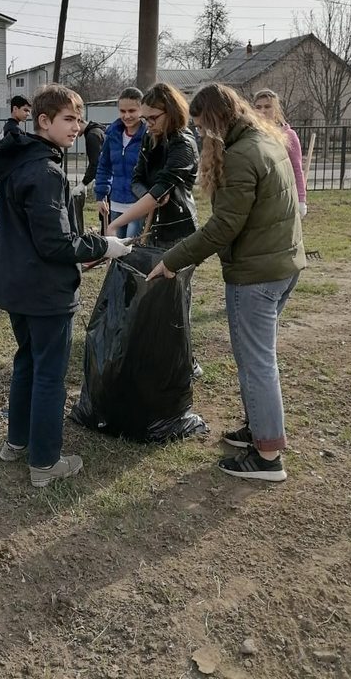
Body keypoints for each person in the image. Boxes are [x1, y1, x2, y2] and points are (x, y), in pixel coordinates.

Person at [148, 83, 305, 482]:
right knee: (258, 359)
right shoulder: (265, 140)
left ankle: (268, 456)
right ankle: (258, 429)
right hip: (282, 265)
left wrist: (172, 260)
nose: (200, 135)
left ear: (217, 120)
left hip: (257, 275)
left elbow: (223, 227)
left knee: (256, 363)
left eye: (202, 127)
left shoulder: (241, 155)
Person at [0, 83, 132, 487]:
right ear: (44, 121)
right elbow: (54, 243)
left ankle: (16, 443)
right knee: (49, 375)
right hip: (45, 292)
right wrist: (103, 245)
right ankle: (45, 461)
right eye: (69, 119)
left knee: (27, 363)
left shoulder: (18, 160)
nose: (78, 127)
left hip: (17, 286)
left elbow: (42, 231)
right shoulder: (45, 171)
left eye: (79, 119)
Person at [105, 83, 199, 249]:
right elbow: (136, 179)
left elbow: (161, 188)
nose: (148, 124)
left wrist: (114, 225)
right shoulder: (149, 138)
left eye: (153, 118)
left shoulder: (183, 145)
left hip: (176, 233)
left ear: (171, 112)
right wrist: (149, 196)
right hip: (149, 227)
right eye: (145, 119)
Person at [94, 87, 146, 238]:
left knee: (131, 249)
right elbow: (104, 166)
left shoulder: (148, 136)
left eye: (132, 111)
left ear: (141, 110)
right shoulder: (113, 134)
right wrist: (101, 196)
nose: (127, 115)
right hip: (116, 202)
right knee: (116, 249)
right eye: (123, 111)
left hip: (138, 204)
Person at [253, 88, 308, 217]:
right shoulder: (250, 135)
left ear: (276, 110)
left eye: (267, 106)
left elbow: (296, 169)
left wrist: (301, 200)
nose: (263, 111)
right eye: (258, 107)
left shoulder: (288, 135)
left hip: (281, 198)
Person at [70, 117, 107, 198]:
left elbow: (95, 163)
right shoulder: (98, 131)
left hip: (106, 179)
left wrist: (83, 184)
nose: (73, 132)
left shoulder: (92, 135)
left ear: (79, 122)